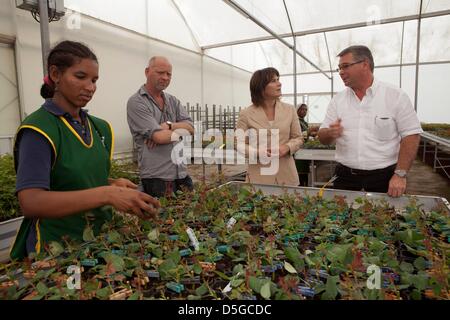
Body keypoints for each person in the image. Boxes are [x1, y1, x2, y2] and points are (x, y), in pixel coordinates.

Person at [10, 40, 160, 261]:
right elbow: (31, 202)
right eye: (81, 77)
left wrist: (112, 185)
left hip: (101, 241)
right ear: (55, 74)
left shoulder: (100, 128)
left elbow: (72, 179)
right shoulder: (39, 129)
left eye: (94, 80)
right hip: (57, 250)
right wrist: (107, 194)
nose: (90, 87)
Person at [318, 45, 422, 197]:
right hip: (345, 177)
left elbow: (411, 135)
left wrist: (400, 175)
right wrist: (329, 133)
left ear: (365, 64)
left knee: (384, 219)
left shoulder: (394, 96)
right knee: (342, 219)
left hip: (384, 178)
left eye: (345, 66)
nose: (341, 72)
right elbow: (322, 137)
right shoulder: (338, 101)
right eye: (339, 68)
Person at [127, 56, 194, 198]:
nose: (165, 77)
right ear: (147, 72)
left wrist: (169, 125)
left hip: (181, 173)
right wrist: (175, 132)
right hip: (157, 178)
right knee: (163, 218)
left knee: (190, 217)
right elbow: (160, 137)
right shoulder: (137, 102)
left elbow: (191, 129)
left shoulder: (172, 101)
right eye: (160, 72)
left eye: (168, 74)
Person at [235, 67, 303, 186]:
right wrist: (256, 152)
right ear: (261, 87)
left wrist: (286, 147)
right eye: (273, 81)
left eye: (278, 79)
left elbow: (298, 138)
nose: (279, 83)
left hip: (286, 177)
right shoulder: (246, 114)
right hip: (258, 177)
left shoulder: (289, 110)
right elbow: (238, 143)